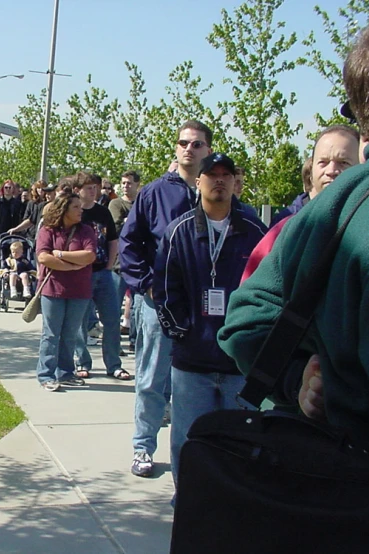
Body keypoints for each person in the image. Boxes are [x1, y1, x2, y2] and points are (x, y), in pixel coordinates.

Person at [218, 17, 369, 456]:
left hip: (337, 481)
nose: (333, 170)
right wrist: (299, 381)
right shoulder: (342, 217)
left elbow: (245, 321)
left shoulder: (322, 214)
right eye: (323, 161)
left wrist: (301, 378)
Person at [153, 153, 267, 491]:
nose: (219, 180)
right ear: (198, 182)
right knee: (188, 440)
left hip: (238, 364)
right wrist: (181, 331)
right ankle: (186, 500)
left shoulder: (254, 231)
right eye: (211, 174)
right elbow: (164, 288)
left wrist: (251, 339)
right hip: (192, 363)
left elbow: (266, 289)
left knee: (239, 443)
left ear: (235, 181)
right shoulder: (179, 232)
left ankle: (232, 507)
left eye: (225, 175)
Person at [119, 120, 212, 478]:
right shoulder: (155, 193)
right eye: (183, 143)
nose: (189, 148)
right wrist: (146, 284)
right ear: (176, 148)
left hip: (201, 306)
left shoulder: (217, 191)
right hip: (159, 304)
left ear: (208, 150)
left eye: (197, 144)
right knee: (151, 379)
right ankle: (143, 446)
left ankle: (192, 453)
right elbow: (129, 243)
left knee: (193, 383)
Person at [241, 126, 360, 281]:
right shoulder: (286, 231)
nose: (331, 170)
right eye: (323, 162)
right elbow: (251, 296)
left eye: (343, 162)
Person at [35, 193, 97, 391]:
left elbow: (88, 256)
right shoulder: (48, 230)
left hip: (80, 290)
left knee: (70, 334)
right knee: (51, 334)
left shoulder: (86, 231)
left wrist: (60, 255)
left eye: (81, 207)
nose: (81, 211)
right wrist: (71, 266)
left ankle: (66, 372)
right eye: (76, 207)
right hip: (52, 289)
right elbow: (43, 257)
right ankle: (46, 375)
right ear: (64, 210)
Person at [73, 171, 131, 381]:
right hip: (81, 274)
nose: (94, 191)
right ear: (77, 190)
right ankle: (82, 361)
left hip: (103, 273)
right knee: (80, 321)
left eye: (95, 187)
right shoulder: (74, 212)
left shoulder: (103, 212)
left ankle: (114, 364)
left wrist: (108, 265)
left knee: (112, 319)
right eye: (89, 187)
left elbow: (112, 240)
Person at [109, 170, 140, 349]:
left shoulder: (141, 202)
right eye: (123, 183)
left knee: (137, 308)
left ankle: (135, 342)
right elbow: (117, 227)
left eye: (129, 183)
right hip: (118, 263)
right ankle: (114, 345)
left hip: (137, 263)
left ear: (137, 185)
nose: (125, 186)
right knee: (114, 308)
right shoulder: (116, 203)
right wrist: (132, 221)